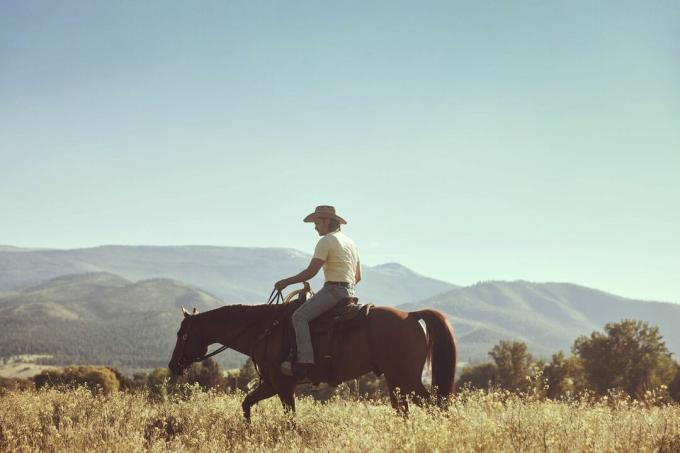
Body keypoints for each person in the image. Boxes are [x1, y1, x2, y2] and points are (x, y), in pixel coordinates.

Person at [275, 205, 361, 379]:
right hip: (350, 292)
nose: (315, 227)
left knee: (299, 317)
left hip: (334, 290)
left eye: (317, 222)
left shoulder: (326, 241)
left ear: (327, 221)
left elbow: (311, 272)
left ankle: (305, 363)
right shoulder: (351, 243)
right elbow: (357, 276)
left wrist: (285, 282)